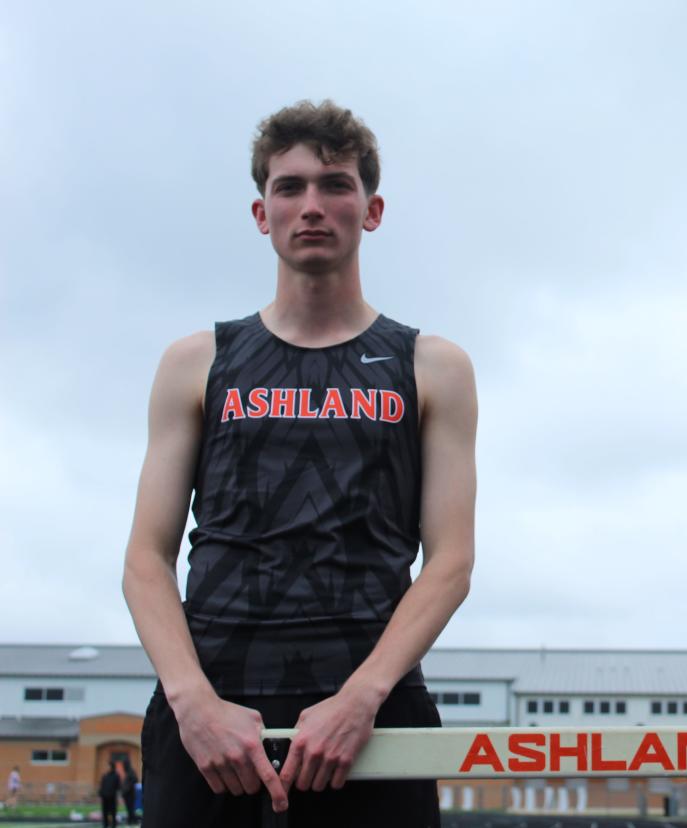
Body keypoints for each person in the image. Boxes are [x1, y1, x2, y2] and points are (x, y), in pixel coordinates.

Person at [122, 100, 478, 827]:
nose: (311, 205)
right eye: (289, 187)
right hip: (212, 719)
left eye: (335, 184)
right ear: (262, 213)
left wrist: (362, 697)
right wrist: (193, 704)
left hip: (373, 719)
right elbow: (145, 559)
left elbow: (451, 562)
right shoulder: (200, 361)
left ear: (371, 209)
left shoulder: (431, 367)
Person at [99, 762, 120, 828]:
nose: (107, 768)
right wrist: (101, 793)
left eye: (108, 766)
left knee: (113, 812)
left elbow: (118, 786)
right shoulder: (105, 776)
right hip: (104, 797)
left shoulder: (116, 776)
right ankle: (105, 825)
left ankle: (113, 825)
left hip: (112, 797)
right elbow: (102, 785)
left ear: (112, 767)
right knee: (105, 812)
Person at [119, 758, 138, 824]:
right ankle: (131, 819)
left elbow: (135, 780)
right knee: (129, 808)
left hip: (130, 794)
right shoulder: (127, 772)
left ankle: (133, 820)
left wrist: (127, 788)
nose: (123, 767)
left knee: (131, 808)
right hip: (126, 794)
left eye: (124, 765)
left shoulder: (131, 772)